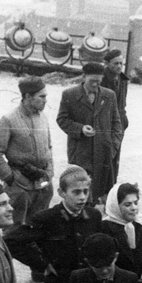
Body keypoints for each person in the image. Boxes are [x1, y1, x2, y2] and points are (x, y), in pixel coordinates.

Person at [0, 76, 54, 229]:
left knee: (39, 227)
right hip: (20, 187)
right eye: (41, 96)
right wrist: (10, 178)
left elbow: (49, 148)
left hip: (43, 185)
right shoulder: (8, 120)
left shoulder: (43, 118)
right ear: (28, 97)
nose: (45, 100)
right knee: (14, 229)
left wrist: (50, 173)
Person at [56, 62, 124, 204]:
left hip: (104, 153)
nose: (95, 85)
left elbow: (117, 125)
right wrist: (80, 129)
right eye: (92, 81)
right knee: (80, 193)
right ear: (83, 76)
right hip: (80, 153)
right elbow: (62, 119)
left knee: (101, 192)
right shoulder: (70, 94)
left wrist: (112, 148)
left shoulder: (109, 95)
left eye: (98, 81)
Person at [101, 49, 130, 178]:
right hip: (105, 123)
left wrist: (124, 120)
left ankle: (111, 187)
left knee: (115, 157)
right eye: (116, 63)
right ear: (107, 64)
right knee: (104, 156)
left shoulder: (123, 79)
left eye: (121, 63)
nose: (119, 66)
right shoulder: (102, 79)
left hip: (120, 123)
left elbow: (122, 102)